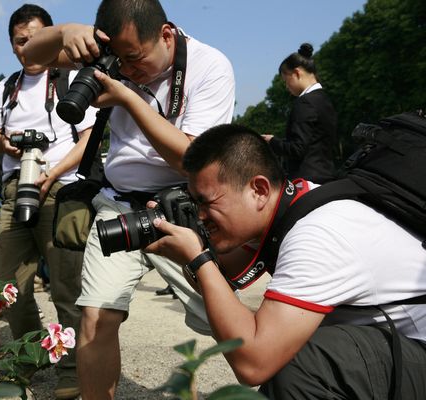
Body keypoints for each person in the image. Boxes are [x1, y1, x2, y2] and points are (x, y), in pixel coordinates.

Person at [21, 0, 235, 397]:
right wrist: (65, 31)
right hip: (117, 206)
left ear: (166, 35)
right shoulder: (115, 55)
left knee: (228, 322)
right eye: (119, 59)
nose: (128, 69)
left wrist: (126, 98)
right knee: (96, 317)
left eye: (135, 58)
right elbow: (31, 53)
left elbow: (191, 158)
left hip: (180, 211)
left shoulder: (210, 65)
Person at [145, 124, 426, 399]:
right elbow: (222, 278)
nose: (200, 215)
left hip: (419, 352)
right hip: (400, 346)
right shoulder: (299, 201)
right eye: (193, 203)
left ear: (259, 190)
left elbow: (253, 363)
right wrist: (191, 246)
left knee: (301, 368)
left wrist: (198, 259)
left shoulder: (317, 234)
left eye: (206, 202)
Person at [0, 4, 96, 399]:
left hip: (61, 188)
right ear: (12, 45)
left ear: (51, 38)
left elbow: (88, 140)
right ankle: (28, 356)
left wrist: (51, 173)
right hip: (16, 192)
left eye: (34, 37)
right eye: (20, 40)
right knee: (6, 284)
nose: (28, 46)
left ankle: (71, 371)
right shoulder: (6, 86)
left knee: (67, 286)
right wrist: (8, 145)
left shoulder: (69, 81)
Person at [262, 43, 337, 184]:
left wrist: (272, 141)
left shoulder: (304, 103)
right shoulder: (325, 100)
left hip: (306, 180)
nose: (286, 86)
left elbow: (297, 149)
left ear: (296, 73)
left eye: (286, 80)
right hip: (327, 176)